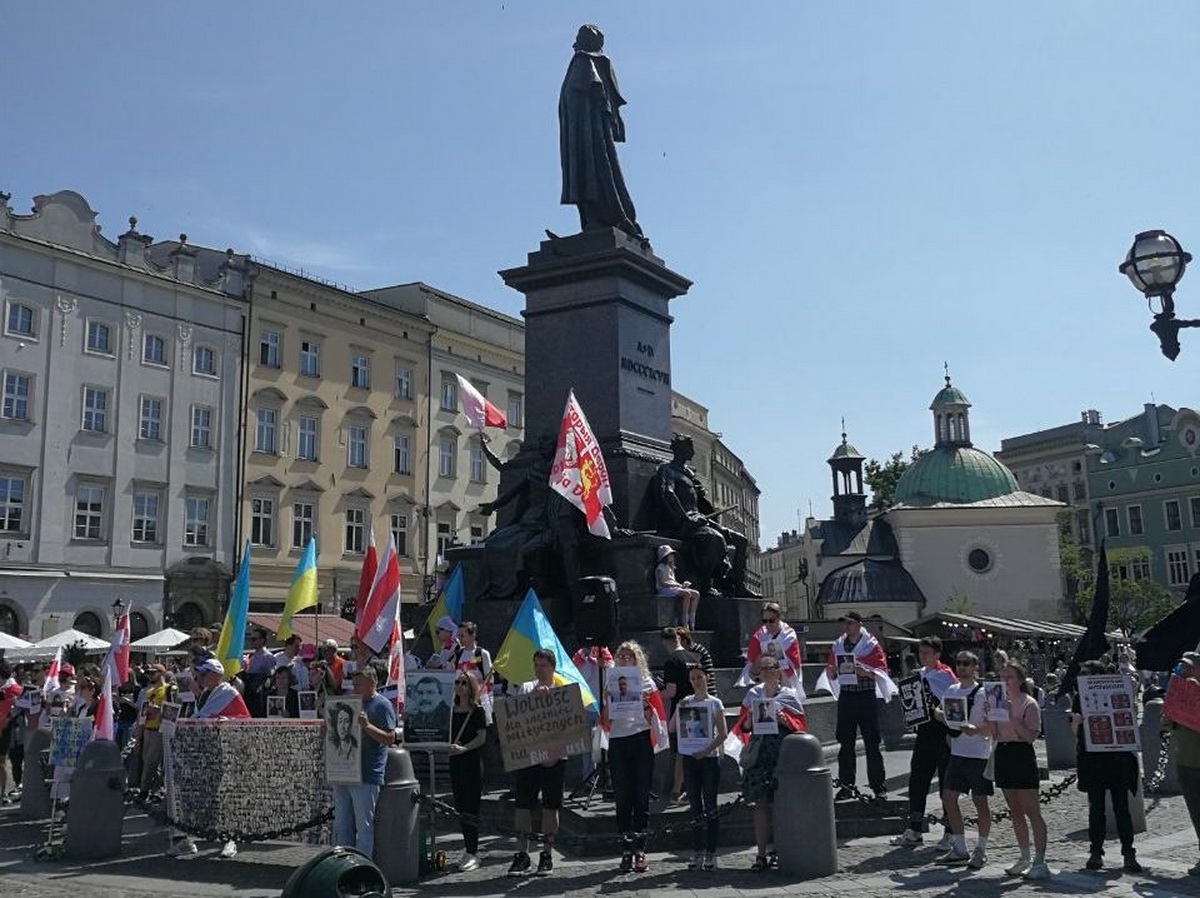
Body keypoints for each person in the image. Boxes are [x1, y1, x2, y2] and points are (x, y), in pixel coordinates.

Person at [168, 659, 249, 859]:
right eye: (199, 674)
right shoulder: (204, 695)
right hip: (201, 752)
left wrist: (227, 721)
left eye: (203, 674)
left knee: (221, 796)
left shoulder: (229, 693)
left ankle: (229, 840)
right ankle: (188, 839)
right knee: (197, 796)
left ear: (214, 675)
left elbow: (245, 718)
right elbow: (199, 718)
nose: (199, 678)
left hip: (222, 752)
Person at [976, 661, 1049, 879]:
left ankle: (1040, 860)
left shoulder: (1029, 703)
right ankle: (1024, 855)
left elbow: (1030, 736)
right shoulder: (996, 701)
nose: (1005, 681)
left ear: (1019, 680)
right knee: (1014, 810)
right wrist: (988, 717)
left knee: (1031, 810)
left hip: (1021, 754)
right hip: (1004, 754)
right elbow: (991, 733)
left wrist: (1010, 714)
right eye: (1002, 677)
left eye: (1009, 677)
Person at [1073, 658, 1142, 872]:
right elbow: (1076, 732)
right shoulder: (1079, 699)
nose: (1085, 680)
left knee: (1122, 808)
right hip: (1093, 759)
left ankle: (1128, 853)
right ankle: (1096, 852)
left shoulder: (1117, 690)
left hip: (1116, 758)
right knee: (1096, 808)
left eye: (1089, 676)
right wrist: (1078, 722)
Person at [818, 611, 896, 800]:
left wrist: (864, 671)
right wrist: (832, 671)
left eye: (851, 623)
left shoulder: (870, 645)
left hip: (865, 696)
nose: (847, 627)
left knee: (872, 742)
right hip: (847, 696)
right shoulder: (838, 645)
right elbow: (831, 672)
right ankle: (846, 785)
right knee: (845, 742)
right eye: (845, 623)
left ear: (860, 624)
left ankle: (878, 786)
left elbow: (881, 671)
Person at [738, 656, 805, 871]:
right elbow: (743, 727)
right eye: (762, 668)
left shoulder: (789, 695)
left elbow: (801, 726)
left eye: (770, 668)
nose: (766, 672)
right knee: (760, 804)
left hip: (781, 753)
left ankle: (778, 848)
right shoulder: (752, 695)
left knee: (779, 804)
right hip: (759, 755)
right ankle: (760, 853)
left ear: (778, 671)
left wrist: (785, 719)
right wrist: (748, 720)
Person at [603, 641, 663, 874]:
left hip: (640, 739)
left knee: (641, 797)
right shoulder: (611, 682)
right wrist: (608, 700)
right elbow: (606, 722)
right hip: (618, 740)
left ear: (638, 659)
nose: (627, 660)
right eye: (623, 656)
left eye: (631, 656)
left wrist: (648, 706)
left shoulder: (647, 683)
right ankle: (626, 849)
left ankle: (640, 850)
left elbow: (657, 721)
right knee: (622, 798)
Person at [893, 636, 956, 848]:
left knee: (946, 786)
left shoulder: (945, 676)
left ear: (937, 654)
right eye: (921, 653)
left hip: (942, 735)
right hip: (924, 735)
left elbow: (952, 704)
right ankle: (914, 828)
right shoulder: (917, 676)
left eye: (927, 653)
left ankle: (951, 831)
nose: (923, 656)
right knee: (918, 781)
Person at [509, 649, 566, 877]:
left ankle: (547, 854)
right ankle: (522, 854)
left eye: (543, 665)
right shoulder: (525, 688)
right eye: (536, 665)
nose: (539, 669)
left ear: (552, 667)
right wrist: (532, 698)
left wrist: (554, 754)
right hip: (529, 757)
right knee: (523, 805)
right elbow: (515, 720)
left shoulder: (562, 690)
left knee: (551, 807)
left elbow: (570, 726)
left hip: (555, 757)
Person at [934, 651, 993, 869]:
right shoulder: (951, 690)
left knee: (981, 803)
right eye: (958, 663)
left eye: (966, 664)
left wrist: (976, 729)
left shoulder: (983, 693)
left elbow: (992, 725)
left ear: (975, 667)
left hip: (978, 754)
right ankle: (959, 846)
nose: (961, 667)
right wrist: (941, 715)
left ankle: (981, 849)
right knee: (948, 798)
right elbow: (939, 710)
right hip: (957, 754)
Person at [332, 664, 397, 858]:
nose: (355, 687)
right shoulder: (349, 703)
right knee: (342, 825)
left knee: (364, 826)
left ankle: (363, 867)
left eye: (360, 683)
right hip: (344, 771)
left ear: (372, 683)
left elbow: (389, 738)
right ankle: (343, 864)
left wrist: (367, 726)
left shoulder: (382, 705)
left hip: (367, 773)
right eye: (354, 683)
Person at [672, 665, 727, 870]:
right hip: (690, 758)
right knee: (695, 806)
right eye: (692, 678)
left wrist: (705, 752)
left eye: (699, 677)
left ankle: (711, 852)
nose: (696, 681)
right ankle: (697, 850)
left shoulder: (715, 703)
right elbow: (672, 728)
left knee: (710, 805)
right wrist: (678, 709)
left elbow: (722, 733)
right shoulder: (686, 702)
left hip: (709, 758)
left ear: (706, 678)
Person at [448, 672, 488, 872]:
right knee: (461, 806)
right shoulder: (450, 710)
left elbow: (482, 737)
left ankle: (473, 850)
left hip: (471, 762)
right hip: (455, 763)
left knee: (472, 807)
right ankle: (468, 847)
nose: (460, 686)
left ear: (471, 687)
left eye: (464, 683)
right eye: (457, 682)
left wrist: (465, 748)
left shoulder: (477, 711)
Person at [1168, 652, 1200, 876]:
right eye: (1182, 668)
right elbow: (1167, 722)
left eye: (1188, 667)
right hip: (1186, 762)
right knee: (1196, 813)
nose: (1184, 671)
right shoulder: (1178, 693)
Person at [660, 627, 700, 801]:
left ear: (664, 642)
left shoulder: (672, 661)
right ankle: (692, 786)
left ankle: (677, 789)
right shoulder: (694, 658)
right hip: (698, 707)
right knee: (695, 749)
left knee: (680, 752)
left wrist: (650, 695)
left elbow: (670, 692)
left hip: (681, 709)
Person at [737, 603, 804, 694]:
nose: (768, 624)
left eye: (771, 620)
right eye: (765, 621)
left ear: (779, 619)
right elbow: (751, 664)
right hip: (764, 682)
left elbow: (792, 662)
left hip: (787, 681)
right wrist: (761, 657)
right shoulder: (759, 636)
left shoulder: (789, 635)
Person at [135, 664, 174, 798]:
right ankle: (155, 790)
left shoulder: (169, 690)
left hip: (160, 730)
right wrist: (138, 735)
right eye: (149, 673)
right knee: (147, 762)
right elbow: (142, 713)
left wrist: (158, 710)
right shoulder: (148, 691)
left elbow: (172, 710)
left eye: (153, 673)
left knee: (151, 762)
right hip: (147, 729)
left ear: (162, 673)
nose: (150, 675)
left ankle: (144, 791)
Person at [454, 622, 494, 721]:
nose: (459, 638)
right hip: (461, 698)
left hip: (479, 698)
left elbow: (489, 677)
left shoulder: (481, 653)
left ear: (472, 635)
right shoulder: (458, 653)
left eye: (462, 635)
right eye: (458, 635)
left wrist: (485, 697)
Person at [655, 545, 700, 628]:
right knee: (686, 594)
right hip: (664, 590)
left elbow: (673, 581)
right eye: (670, 555)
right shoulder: (660, 567)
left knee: (696, 594)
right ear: (665, 556)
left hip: (673, 588)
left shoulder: (670, 567)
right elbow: (663, 583)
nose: (672, 556)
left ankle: (692, 619)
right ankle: (684, 620)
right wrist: (677, 585)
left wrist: (682, 585)